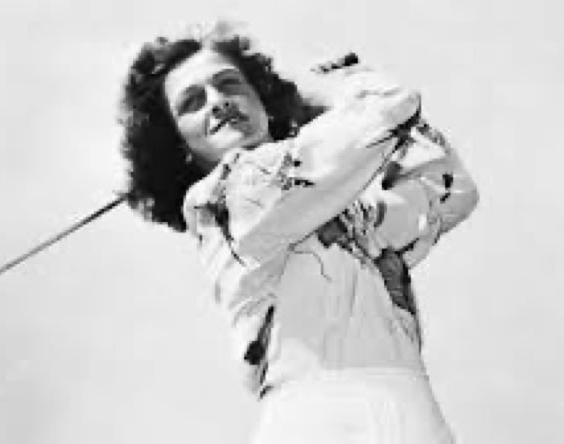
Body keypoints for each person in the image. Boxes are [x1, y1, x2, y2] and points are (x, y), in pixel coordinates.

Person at [117, 24, 478, 444]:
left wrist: (357, 85)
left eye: (229, 83)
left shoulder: (346, 208)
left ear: (262, 99)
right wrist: (357, 85)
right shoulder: (223, 200)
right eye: (192, 102)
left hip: (412, 410)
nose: (218, 102)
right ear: (181, 145)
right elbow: (384, 114)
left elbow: (449, 188)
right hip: (314, 415)